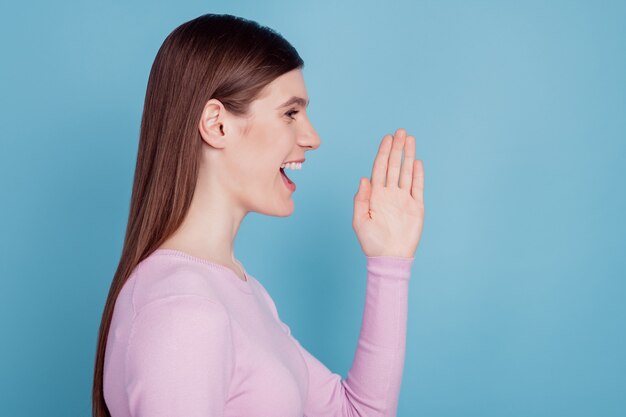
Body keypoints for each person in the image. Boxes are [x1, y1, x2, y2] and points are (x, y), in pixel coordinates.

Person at [92, 13, 425, 417]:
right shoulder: (183, 310)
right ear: (216, 125)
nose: (311, 137)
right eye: (290, 113)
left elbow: (356, 413)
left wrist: (389, 260)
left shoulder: (235, 291)